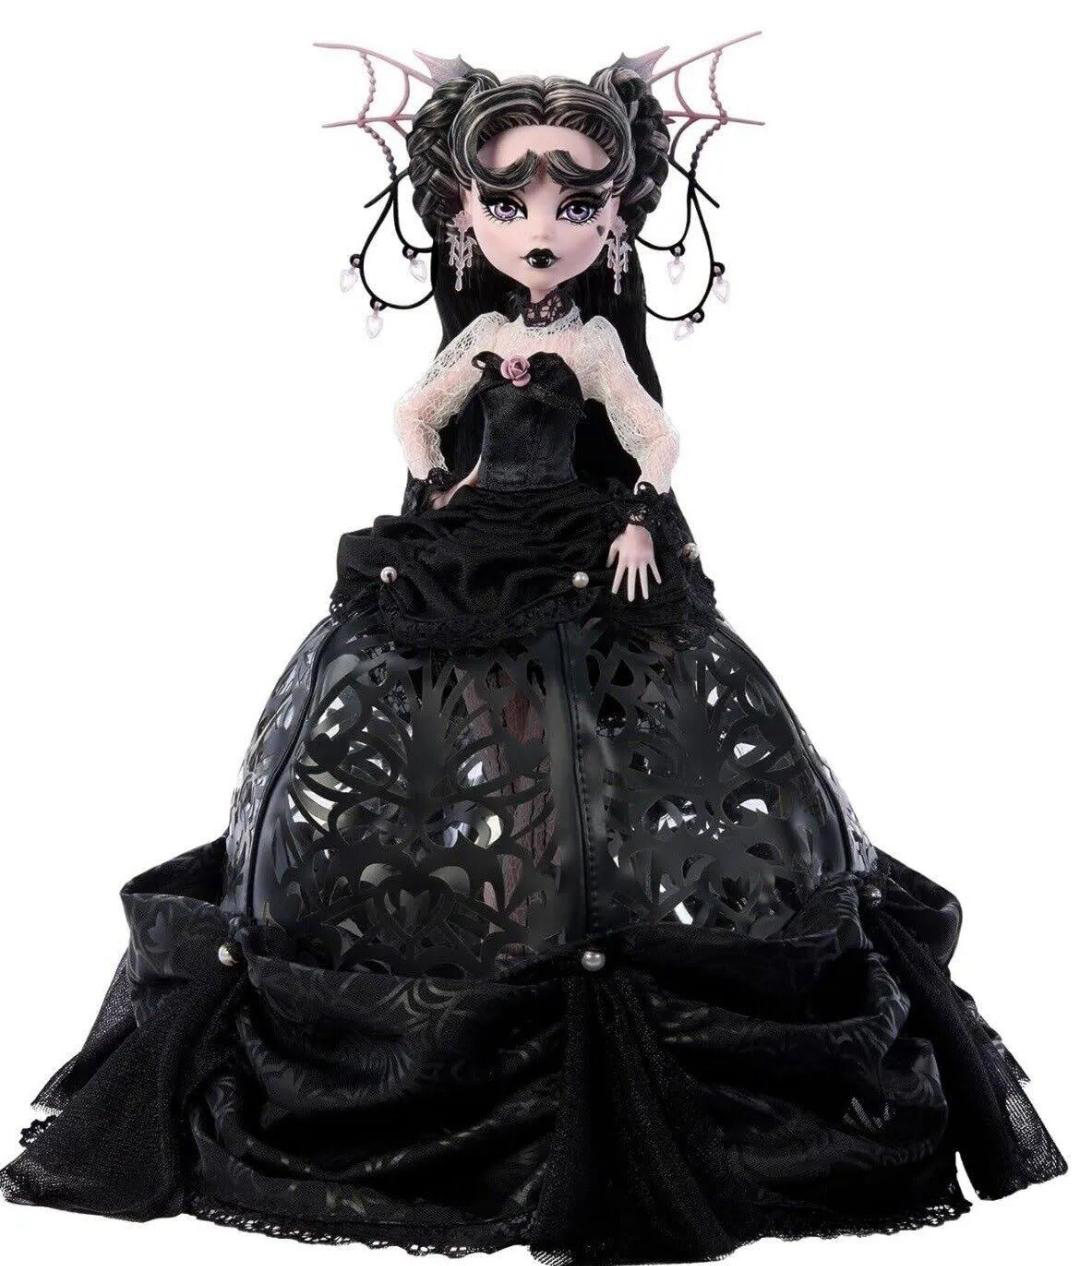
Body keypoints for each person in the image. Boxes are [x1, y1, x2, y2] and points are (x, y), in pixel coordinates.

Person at [1, 38, 1066, 1265]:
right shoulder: (480, 339)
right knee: (463, 740)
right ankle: (479, 944)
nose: (542, 231)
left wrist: (637, 516)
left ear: (616, 219)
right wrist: (431, 481)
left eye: (573, 205)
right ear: (461, 218)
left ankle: (576, 958)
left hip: (582, 547)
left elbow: (653, 436)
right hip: (463, 547)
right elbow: (412, 411)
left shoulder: (594, 344)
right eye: (508, 207)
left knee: (595, 743)